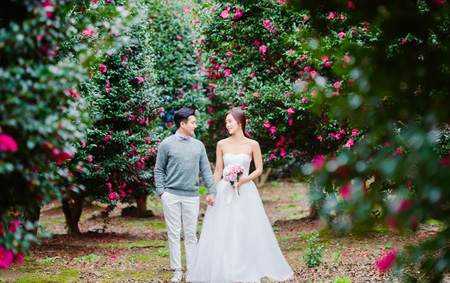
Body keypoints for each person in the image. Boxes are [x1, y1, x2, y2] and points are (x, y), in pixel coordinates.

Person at [187, 108, 294, 283]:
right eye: (226, 122)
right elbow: (219, 170)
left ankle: (247, 267)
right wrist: (212, 191)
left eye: (230, 121)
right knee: (223, 228)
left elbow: (259, 169)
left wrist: (243, 180)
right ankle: (224, 268)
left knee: (245, 226)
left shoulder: (253, 144)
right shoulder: (222, 144)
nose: (227, 125)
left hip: (245, 191)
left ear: (240, 122)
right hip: (224, 190)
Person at [154, 108, 217, 283]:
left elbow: (206, 171)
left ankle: (192, 271)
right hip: (171, 195)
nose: (195, 125)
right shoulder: (166, 144)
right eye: (193, 122)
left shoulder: (198, 145)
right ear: (182, 124)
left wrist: (212, 191)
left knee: (191, 234)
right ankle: (176, 270)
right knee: (173, 234)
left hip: (191, 196)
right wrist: (162, 192)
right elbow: (159, 170)